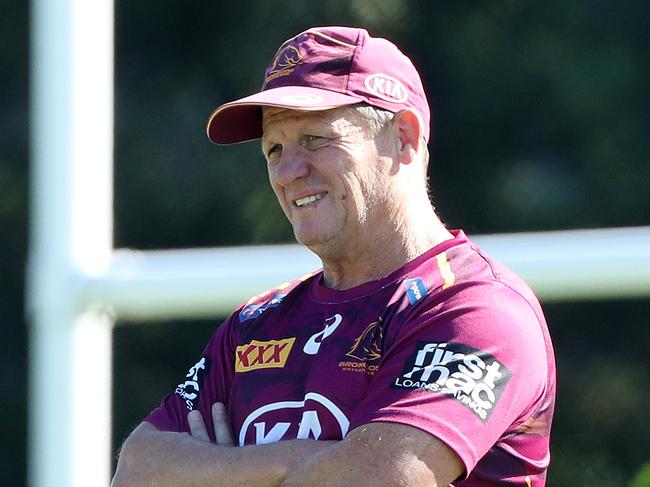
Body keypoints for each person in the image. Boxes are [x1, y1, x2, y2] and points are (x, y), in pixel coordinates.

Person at [112, 26, 556, 487]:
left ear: (404, 137)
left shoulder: (476, 309)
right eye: (274, 148)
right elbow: (137, 470)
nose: (287, 172)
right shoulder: (253, 325)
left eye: (315, 139)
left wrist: (220, 470)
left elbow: (380, 480)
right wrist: (304, 464)